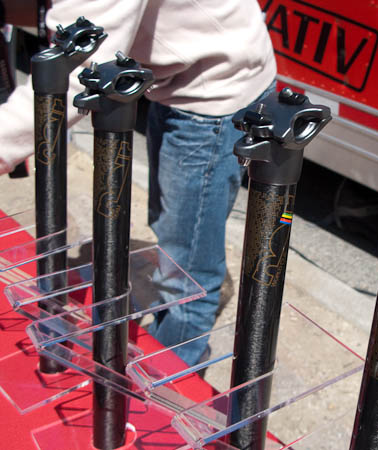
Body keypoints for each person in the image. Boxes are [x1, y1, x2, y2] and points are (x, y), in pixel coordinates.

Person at [0, 0, 277, 366]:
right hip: (183, 79)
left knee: (186, 273)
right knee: (174, 241)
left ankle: (173, 378)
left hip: (213, 95)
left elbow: (72, 70)